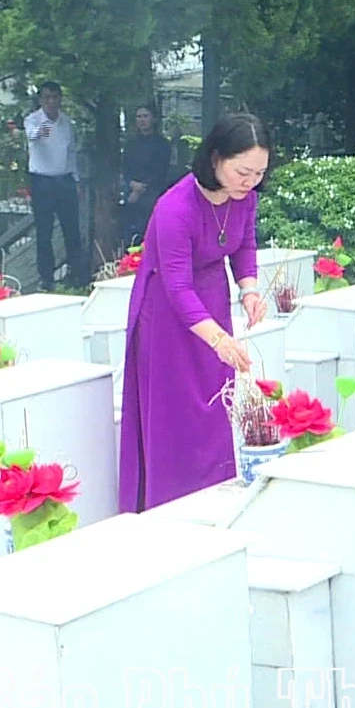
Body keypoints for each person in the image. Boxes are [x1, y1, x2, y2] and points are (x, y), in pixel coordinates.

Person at [118, 113, 271, 513]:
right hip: (166, 314)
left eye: (258, 173)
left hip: (213, 298)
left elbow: (244, 245)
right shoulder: (175, 208)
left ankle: (215, 495)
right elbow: (177, 287)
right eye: (242, 171)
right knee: (175, 412)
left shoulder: (245, 198)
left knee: (214, 404)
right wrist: (219, 338)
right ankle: (168, 504)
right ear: (216, 158)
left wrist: (249, 290)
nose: (249, 182)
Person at [23, 81, 88, 289]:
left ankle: (76, 274)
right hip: (42, 181)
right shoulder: (32, 120)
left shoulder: (66, 122)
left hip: (65, 180)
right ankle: (46, 278)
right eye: (47, 97)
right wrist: (42, 130)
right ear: (41, 100)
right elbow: (31, 136)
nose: (51, 101)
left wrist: (76, 180)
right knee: (44, 232)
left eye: (55, 97)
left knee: (72, 229)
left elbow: (71, 154)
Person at [121, 103, 174, 249]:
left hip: (152, 193)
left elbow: (159, 171)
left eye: (145, 116)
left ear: (154, 119)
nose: (142, 120)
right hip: (131, 192)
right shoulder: (130, 144)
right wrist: (132, 185)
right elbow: (125, 168)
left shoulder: (162, 144)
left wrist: (140, 189)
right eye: (139, 117)